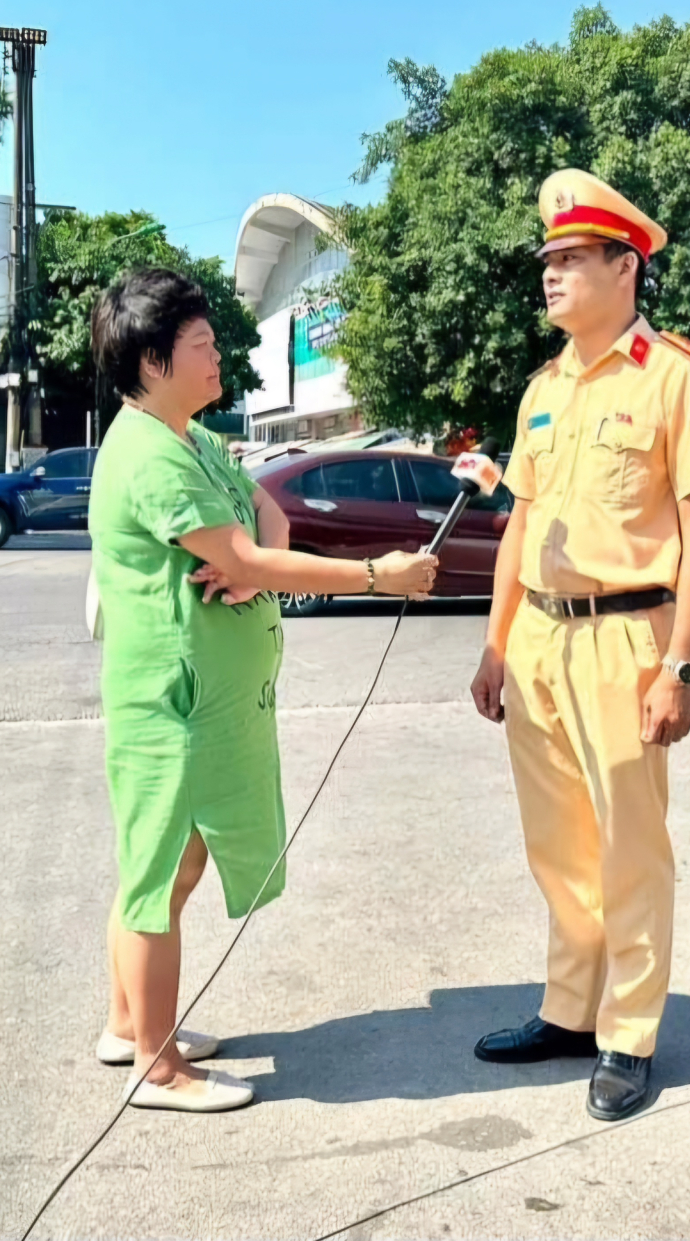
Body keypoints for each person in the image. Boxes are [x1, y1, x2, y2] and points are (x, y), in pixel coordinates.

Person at [86, 267, 437, 1113]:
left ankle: (128, 1024)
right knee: (159, 872)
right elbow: (245, 550)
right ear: (154, 361)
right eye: (202, 345)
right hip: (171, 703)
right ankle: (156, 1066)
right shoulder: (144, 452)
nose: (218, 358)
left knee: (178, 861)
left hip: (209, 700)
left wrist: (246, 571)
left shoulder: (196, 441)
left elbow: (262, 524)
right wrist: (375, 574)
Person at [467, 170, 690, 1122]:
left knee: (629, 845)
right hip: (538, 638)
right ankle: (569, 1010)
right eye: (548, 260)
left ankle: (628, 1032)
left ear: (626, 267)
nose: (551, 275)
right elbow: (520, 524)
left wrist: (683, 665)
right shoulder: (544, 389)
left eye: (571, 259)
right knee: (559, 845)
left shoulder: (678, 377)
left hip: (629, 637)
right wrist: (497, 644)